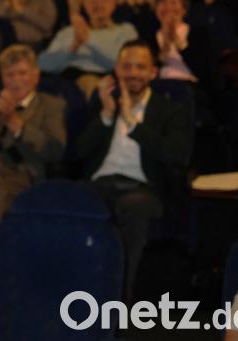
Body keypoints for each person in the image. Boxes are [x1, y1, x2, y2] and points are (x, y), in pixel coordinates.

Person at [76, 40, 192, 300]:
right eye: (127, 66)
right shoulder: (104, 103)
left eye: (141, 67)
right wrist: (106, 116)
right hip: (100, 184)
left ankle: (119, 301)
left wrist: (132, 122)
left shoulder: (171, 110)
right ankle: (75, 295)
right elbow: (78, 153)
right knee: (75, 201)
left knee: (132, 207)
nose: (133, 73)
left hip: (144, 189)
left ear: (153, 72)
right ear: (117, 70)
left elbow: (177, 155)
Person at [0, 45, 66, 239]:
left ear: (36, 75)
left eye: (22, 73)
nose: (16, 80)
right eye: (9, 75)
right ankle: (0, 240)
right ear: (2, 78)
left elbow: (55, 150)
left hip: (25, 173)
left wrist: (16, 125)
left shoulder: (51, 106)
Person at [38, 0, 138, 98]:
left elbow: (121, 64)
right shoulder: (68, 32)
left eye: (104, 0)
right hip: (67, 80)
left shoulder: (125, 30)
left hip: (108, 79)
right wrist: (72, 48)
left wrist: (88, 40)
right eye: (93, 1)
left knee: (91, 84)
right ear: (85, 5)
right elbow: (43, 65)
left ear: (114, 3)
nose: (98, 5)